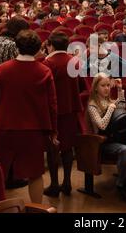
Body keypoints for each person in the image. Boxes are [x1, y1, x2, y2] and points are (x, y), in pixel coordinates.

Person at [0, 30, 58, 204]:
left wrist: (0, 112)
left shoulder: (2, 69)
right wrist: (53, 131)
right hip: (33, 130)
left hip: (3, 127)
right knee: (35, 174)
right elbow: (52, 105)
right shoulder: (44, 71)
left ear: (17, 46)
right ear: (37, 49)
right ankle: (36, 208)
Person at [86, 73, 126, 205]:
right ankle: (122, 184)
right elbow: (102, 125)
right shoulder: (92, 105)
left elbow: (119, 107)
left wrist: (120, 90)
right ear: (96, 88)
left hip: (115, 137)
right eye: (103, 86)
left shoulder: (107, 100)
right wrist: (110, 109)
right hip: (102, 142)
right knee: (125, 149)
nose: (106, 88)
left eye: (108, 86)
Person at [43, 32, 83, 197]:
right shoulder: (74, 61)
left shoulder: (48, 63)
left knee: (53, 149)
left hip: (54, 111)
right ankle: (67, 183)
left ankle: (54, 184)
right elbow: (80, 85)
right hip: (71, 108)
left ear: (50, 45)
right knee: (67, 148)